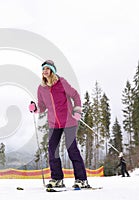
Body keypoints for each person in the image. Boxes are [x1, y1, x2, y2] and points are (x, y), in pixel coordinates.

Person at [29, 60, 90, 188]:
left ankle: (81, 179)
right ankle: (57, 179)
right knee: (53, 150)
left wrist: (77, 110)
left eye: (47, 68)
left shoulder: (61, 82)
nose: (44, 71)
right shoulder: (41, 88)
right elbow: (42, 106)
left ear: (52, 71)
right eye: (43, 69)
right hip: (53, 124)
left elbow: (75, 95)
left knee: (71, 149)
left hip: (69, 121)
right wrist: (35, 109)